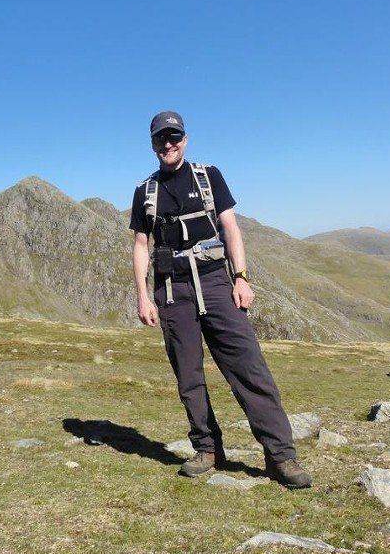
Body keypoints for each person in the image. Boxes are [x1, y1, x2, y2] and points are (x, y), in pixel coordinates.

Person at [129, 111, 312, 488]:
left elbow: (230, 227)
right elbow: (141, 245)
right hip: (172, 290)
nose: (168, 144)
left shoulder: (208, 176)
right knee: (188, 375)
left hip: (215, 282)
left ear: (185, 139)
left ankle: (280, 455)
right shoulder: (144, 192)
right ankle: (207, 449)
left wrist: (241, 277)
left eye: (174, 137)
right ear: (152, 144)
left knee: (249, 367)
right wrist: (143, 296)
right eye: (161, 138)